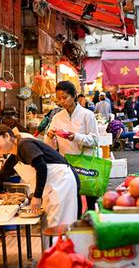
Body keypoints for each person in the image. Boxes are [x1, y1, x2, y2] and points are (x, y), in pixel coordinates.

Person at [0, 125, 81, 245]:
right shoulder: (15, 156)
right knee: (49, 226)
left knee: (58, 225)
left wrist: (37, 196)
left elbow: (41, 166)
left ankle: (64, 260)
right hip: (52, 187)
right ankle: (51, 259)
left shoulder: (25, 145)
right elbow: (0, 176)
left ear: (7, 136)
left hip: (61, 184)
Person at [44, 81, 99, 210]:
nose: (61, 101)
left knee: (90, 198)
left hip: (87, 163)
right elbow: (49, 146)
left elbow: (95, 140)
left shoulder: (87, 115)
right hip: (67, 164)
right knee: (73, 200)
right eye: (58, 98)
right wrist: (50, 136)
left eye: (64, 97)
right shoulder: (57, 117)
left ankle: (92, 223)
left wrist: (75, 137)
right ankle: (75, 225)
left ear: (74, 96)